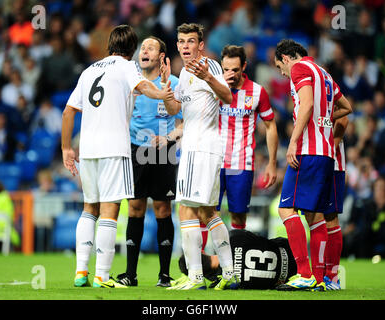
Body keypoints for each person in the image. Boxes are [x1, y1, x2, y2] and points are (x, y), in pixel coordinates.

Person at [61, 25, 173, 289]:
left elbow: (68, 112)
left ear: (110, 44)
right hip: (114, 149)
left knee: (89, 209)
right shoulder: (127, 67)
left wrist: (67, 149)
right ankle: (101, 275)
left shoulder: (89, 71)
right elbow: (145, 87)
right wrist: (162, 91)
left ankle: (80, 272)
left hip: (88, 150)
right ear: (132, 49)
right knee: (110, 211)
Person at [161, 23, 237, 290]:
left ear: (200, 45)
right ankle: (229, 274)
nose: (185, 46)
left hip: (201, 148)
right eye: (181, 41)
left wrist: (208, 77)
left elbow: (228, 97)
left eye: (190, 41)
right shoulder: (183, 74)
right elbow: (175, 111)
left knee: (185, 209)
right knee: (207, 212)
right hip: (198, 147)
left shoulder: (210, 66)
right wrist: (164, 86)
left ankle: (195, 276)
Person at [273, 39, 352, 291]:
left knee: (286, 209)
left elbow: (306, 104)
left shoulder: (299, 69)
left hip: (308, 150)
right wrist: (324, 116)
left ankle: (305, 273)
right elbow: (346, 107)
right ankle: (321, 278)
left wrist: (293, 142)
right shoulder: (324, 73)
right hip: (327, 153)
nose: (282, 73)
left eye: (279, 67)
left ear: (286, 58)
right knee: (316, 215)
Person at [115, 36, 182, 288]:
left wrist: (168, 137)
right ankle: (130, 275)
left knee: (163, 209)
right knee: (134, 208)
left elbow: (185, 121)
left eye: (150, 48)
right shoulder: (131, 82)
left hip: (164, 151)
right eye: (142, 47)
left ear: (161, 57)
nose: (144, 50)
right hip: (135, 149)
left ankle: (164, 276)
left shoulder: (173, 83)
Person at [214, 44, 278, 234]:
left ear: (244, 67)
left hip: (241, 163)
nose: (230, 74)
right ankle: (206, 261)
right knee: (207, 213)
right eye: (226, 70)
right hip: (214, 160)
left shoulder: (258, 92)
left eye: (235, 70)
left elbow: (270, 125)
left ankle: (236, 259)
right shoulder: (212, 87)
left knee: (238, 216)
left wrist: (272, 163)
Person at [176, 229, 297, 290]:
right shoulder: (230, 238)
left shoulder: (223, 285)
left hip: (288, 280)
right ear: (201, 251)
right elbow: (261, 240)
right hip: (293, 252)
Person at [322, 113, 349, 291]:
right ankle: (321, 273)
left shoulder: (328, 86)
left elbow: (343, 119)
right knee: (317, 218)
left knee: (330, 217)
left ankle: (333, 276)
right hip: (316, 161)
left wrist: (331, 148)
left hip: (332, 164)